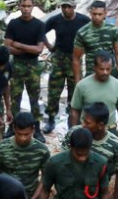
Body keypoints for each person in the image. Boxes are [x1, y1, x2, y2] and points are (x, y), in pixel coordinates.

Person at [63, 102, 118, 199]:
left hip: (95, 196)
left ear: (100, 125)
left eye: (87, 123)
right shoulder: (74, 133)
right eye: (83, 121)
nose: (83, 125)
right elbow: (62, 160)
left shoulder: (116, 146)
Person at [42, 0, 90, 134]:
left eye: (69, 7)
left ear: (74, 7)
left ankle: (72, 122)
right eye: (64, 7)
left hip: (75, 59)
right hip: (59, 58)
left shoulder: (83, 20)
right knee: (53, 91)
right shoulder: (55, 20)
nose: (66, 10)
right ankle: (51, 119)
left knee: (74, 91)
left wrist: (84, 50)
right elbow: (41, 31)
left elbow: (91, 33)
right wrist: (49, 47)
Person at [4, 0, 47, 134]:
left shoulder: (39, 25)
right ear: (19, 7)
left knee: (34, 100)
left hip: (33, 67)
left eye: (29, 6)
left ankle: (37, 129)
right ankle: (12, 128)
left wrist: (19, 45)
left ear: (33, 7)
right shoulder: (13, 23)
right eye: (23, 6)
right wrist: (28, 49)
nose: (26, 9)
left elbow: (39, 49)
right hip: (16, 66)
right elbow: (7, 46)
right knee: (15, 99)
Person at [69, 51, 118, 145]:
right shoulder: (82, 86)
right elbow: (75, 110)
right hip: (87, 131)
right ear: (94, 68)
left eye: (108, 69)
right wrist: (72, 132)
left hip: (109, 130)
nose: (105, 72)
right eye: (101, 69)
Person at [0, 112, 50, 199]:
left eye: (27, 134)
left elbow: (45, 178)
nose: (23, 138)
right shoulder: (0, 148)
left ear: (33, 129)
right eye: (20, 134)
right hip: (5, 195)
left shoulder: (42, 151)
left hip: (29, 195)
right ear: (14, 128)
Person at [73, 0, 118, 91]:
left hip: (110, 74)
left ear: (105, 14)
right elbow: (76, 58)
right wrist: (77, 82)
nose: (97, 17)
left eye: (100, 14)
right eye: (94, 14)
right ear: (90, 13)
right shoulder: (83, 32)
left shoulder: (113, 30)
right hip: (92, 74)